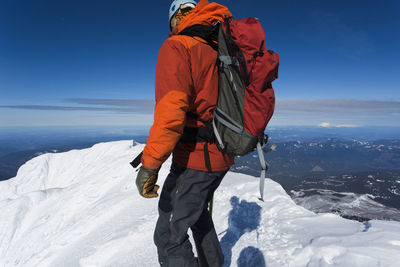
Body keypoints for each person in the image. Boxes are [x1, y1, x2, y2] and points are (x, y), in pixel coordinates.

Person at [135, 0, 234, 266]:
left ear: (177, 17)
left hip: (195, 159)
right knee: (197, 213)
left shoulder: (177, 45)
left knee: (169, 236)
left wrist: (150, 165)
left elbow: (171, 114)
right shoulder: (219, 49)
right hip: (223, 151)